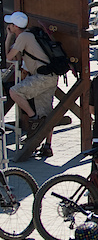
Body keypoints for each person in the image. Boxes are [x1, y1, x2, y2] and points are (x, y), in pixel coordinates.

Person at [4, 11, 58, 156]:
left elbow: (8, 57)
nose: (9, 26)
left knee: (14, 92)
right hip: (50, 76)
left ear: (15, 26)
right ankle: (47, 146)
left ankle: (33, 118)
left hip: (41, 77)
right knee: (46, 112)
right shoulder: (30, 34)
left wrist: (9, 36)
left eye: (11, 24)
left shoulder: (23, 37)